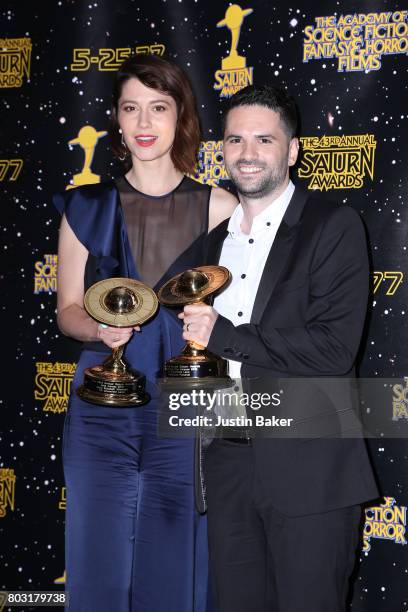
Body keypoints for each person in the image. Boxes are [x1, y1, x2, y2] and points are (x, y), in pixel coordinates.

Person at [179, 85, 379, 612]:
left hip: (310, 467)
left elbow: (334, 351)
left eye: (264, 140)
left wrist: (220, 333)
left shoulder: (333, 227)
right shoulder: (208, 248)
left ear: (291, 151)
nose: (247, 153)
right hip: (227, 462)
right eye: (235, 140)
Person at [54, 54, 237, 612]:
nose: (144, 122)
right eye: (131, 108)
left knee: (176, 557)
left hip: (184, 406)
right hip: (100, 403)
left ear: (180, 116)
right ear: (117, 118)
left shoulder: (221, 206)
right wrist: (101, 328)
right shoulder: (85, 206)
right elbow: (66, 310)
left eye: (158, 107)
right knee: (98, 560)